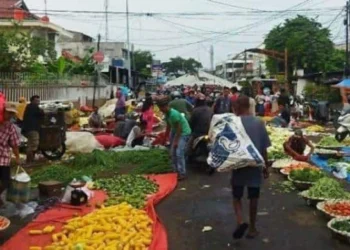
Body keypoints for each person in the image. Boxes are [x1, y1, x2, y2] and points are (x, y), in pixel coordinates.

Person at [231, 95, 271, 239]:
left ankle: (241, 221)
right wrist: (265, 166)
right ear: (249, 106)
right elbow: (264, 147)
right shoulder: (259, 122)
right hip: (255, 164)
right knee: (254, 196)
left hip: (238, 164)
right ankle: (252, 228)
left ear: (237, 107)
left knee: (237, 195)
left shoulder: (233, 122)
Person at [157, 96, 191, 180]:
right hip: (176, 131)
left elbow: (179, 129)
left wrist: (175, 141)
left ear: (165, 106)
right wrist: (165, 138)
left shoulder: (173, 114)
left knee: (179, 152)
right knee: (172, 152)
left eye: (161, 108)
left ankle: (182, 173)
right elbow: (169, 126)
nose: (160, 110)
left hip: (184, 132)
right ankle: (175, 170)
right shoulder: (167, 114)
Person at [0, 103, 21, 206]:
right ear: (3, 111)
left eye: (12, 113)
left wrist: (17, 157)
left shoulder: (10, 127)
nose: (10, 115)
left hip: (3, 158)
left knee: (5, 182)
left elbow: (14, 144)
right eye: (8, 112)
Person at [22, 95, 44, 164]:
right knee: (33, 144)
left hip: (29, 128)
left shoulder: (30, 106)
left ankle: (31, 160)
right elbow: (41, 113)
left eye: (38, 101)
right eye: (36, 101)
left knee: (31, 144)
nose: (38, 102)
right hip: (31, 129)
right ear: (32, 101)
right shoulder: (32, 107)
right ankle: (29, 162)